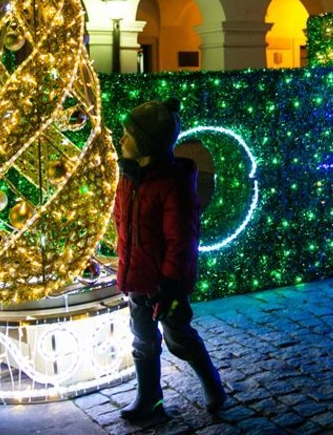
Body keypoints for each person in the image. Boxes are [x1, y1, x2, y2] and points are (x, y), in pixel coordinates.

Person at [114, 97, 225, 422]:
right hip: (138, 279)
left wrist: (171, 282)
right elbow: (124, 223)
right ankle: (149, 398)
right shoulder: (129, 178)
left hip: (165, 285)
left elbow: (181, 240)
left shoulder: (172, 186)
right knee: (143, 339)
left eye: (127, 135)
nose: (121, 140)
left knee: (179, 337)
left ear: (146, 144)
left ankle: (211, 382)